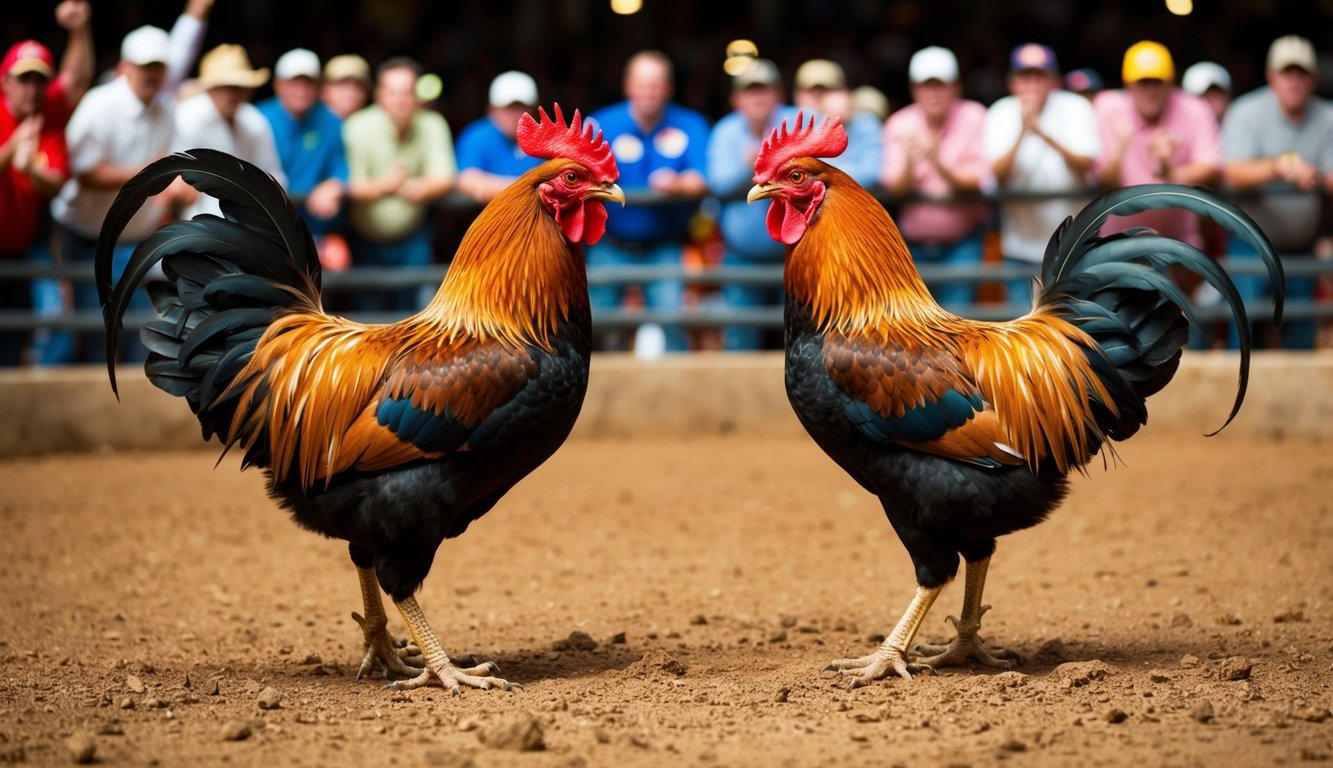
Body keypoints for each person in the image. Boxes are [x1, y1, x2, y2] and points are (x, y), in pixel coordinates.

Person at [52, 2, 211, 363]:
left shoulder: (168, 108)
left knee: (142, 335)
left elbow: (177, 168)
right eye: (145, 65)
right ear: (125, 68)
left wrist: (180, 186)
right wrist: (149, 174)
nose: (152, 72)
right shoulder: (99, 105)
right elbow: (84, 172)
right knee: (95, 336)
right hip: (85, 237)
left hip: (137, 238)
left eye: (159, 65)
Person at [588, 50, 710, 353]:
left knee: (672, 326)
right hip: (609, 244)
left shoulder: (691, 123)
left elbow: (706, 177)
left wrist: (679, 184)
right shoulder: (601, 124)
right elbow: (577, 174)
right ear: (627, 85)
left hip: (665, 245)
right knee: (599, 330)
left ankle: (678, 398)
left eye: (656, 84)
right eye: (642, 83)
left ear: (669, 88)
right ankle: (598, 398)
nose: (649, 91)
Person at [1222, 35, 1333, 349]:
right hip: (1250, 248)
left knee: (1301, 342)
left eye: (1301, 73)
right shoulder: (1246, 112)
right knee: (1245, 342)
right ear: (1272, 75)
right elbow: (1232, 173)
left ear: (1313, 78)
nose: (1294, 81)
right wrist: (1280, 168)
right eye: (1287, 72)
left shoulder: (1327, 116)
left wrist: (1315, 176)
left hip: (1302, 249)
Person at [983, 43, 1100, 311]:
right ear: (1012, 81)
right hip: (1019, 248)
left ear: (1054, 81)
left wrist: (1041, 130)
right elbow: (997, 176)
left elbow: (1087, 164)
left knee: (1075, 332)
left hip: (1071, 248)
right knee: (1023, 335)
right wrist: (1023, 131)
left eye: (1039, 75)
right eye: (1025, 75)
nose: (1031, 84)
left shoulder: (1076, 107)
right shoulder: (1000, 112)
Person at [880, 45, 991, 311]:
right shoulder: (899, 122)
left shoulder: (975, 116)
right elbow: (895, 188)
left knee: (958, 326)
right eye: (926, 85)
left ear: (955, 87)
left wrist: (935, 159)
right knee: (914, 329)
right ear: (914, 88)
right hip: (911, 247)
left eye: (940, 85)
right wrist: (910, 159)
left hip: (962, 243)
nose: (933, 93)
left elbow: (978, 182)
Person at [343, 57, 455, 313]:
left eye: (406, 92)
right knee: (366, 318)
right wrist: (386, 185)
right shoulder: (357, 126)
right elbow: (349, 184)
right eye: (392, 92)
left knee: (415, 319)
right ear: (379, 95)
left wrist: (422, 187)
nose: (400, 99)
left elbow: (446, 177)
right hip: (365, 241)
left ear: (417, 96)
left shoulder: (433, 124)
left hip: (413, 238)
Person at [706, 58, 798, 351]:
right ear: (737, 98)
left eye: (765, 89)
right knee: (740, 339)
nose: (758, 96)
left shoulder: (796, 121)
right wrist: (750, 166)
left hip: (797, 255)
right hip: (741, 255)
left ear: (778, 94)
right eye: (750, 90)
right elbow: (718, 184)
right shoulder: (725, 131)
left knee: (802, 339)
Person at [1093, 41, 1220, 249]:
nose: (1151, 90)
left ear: (1171, 83)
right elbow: (1104, 181)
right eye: (1144, 82)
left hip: (1180, 244)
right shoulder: (1109, 107)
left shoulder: (1194, 108)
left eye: (1158, 82)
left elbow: (1211, 168)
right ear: (1128, 84)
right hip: (1118, 246)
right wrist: (1120, 148)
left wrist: (1169, 171)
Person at [1, 41, 71, 365]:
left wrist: (31, 169)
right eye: (23, 79)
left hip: (21, 251)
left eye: (39, 80)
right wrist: (12, 148)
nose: (31, 89)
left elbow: (56, 184)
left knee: (18, 340)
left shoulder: (47, 123)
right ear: (5, 82)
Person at [256, 48, 348, 266]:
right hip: (265, 229)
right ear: (279, 85)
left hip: (312, 230)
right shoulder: (258, 118)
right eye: (294, 82)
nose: (302, 90)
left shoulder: (331, 121)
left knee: (337, 259)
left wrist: (335, 184)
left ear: (318, 87)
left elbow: (340, 166)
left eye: (308, 83)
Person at [172, 44, 283, 221]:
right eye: (225, 86)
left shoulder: (255, 122)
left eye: (239, 85)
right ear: (210, 88)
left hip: (250, 223)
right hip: (196, 225)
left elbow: (272, 176)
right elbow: (176, 178)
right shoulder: (188, 117)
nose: (233, 93)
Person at [455, 70, 543, 203]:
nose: (515, 115)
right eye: (508, 108)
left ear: (534, 110)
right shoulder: (477, 135)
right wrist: (529, 187)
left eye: (521, 108)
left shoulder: (543, 138)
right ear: (491, 110)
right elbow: (467, 181)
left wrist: (492, 185)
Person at [792, 58, 882, 187]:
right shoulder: (787, 122)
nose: (819, 97)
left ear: (845, 93)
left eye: (827, 90)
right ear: (798, 95)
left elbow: (871, 174)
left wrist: (839, 124)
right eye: (811, 91)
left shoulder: (865, 124)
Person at [322, 54, 371, 121]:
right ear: (325, 89)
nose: (351, 93)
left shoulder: (372, 124)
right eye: (343, 85)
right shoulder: (308, 121)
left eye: (358, 87)